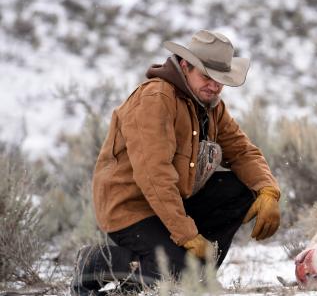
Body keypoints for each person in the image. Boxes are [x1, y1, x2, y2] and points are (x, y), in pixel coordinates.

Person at [72, 30, 280, 294]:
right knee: (176, 274)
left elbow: (242, 152)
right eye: (207, 76)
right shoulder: (155, 99)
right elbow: (154, 176)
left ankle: (196, 275)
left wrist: (268, 190)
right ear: (185, 66)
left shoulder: (211, 105)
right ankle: (94, 262)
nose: (214, 86)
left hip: (173, 204)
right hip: (130, 208)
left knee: (243, 190)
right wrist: (186, 234)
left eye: (220, 80)